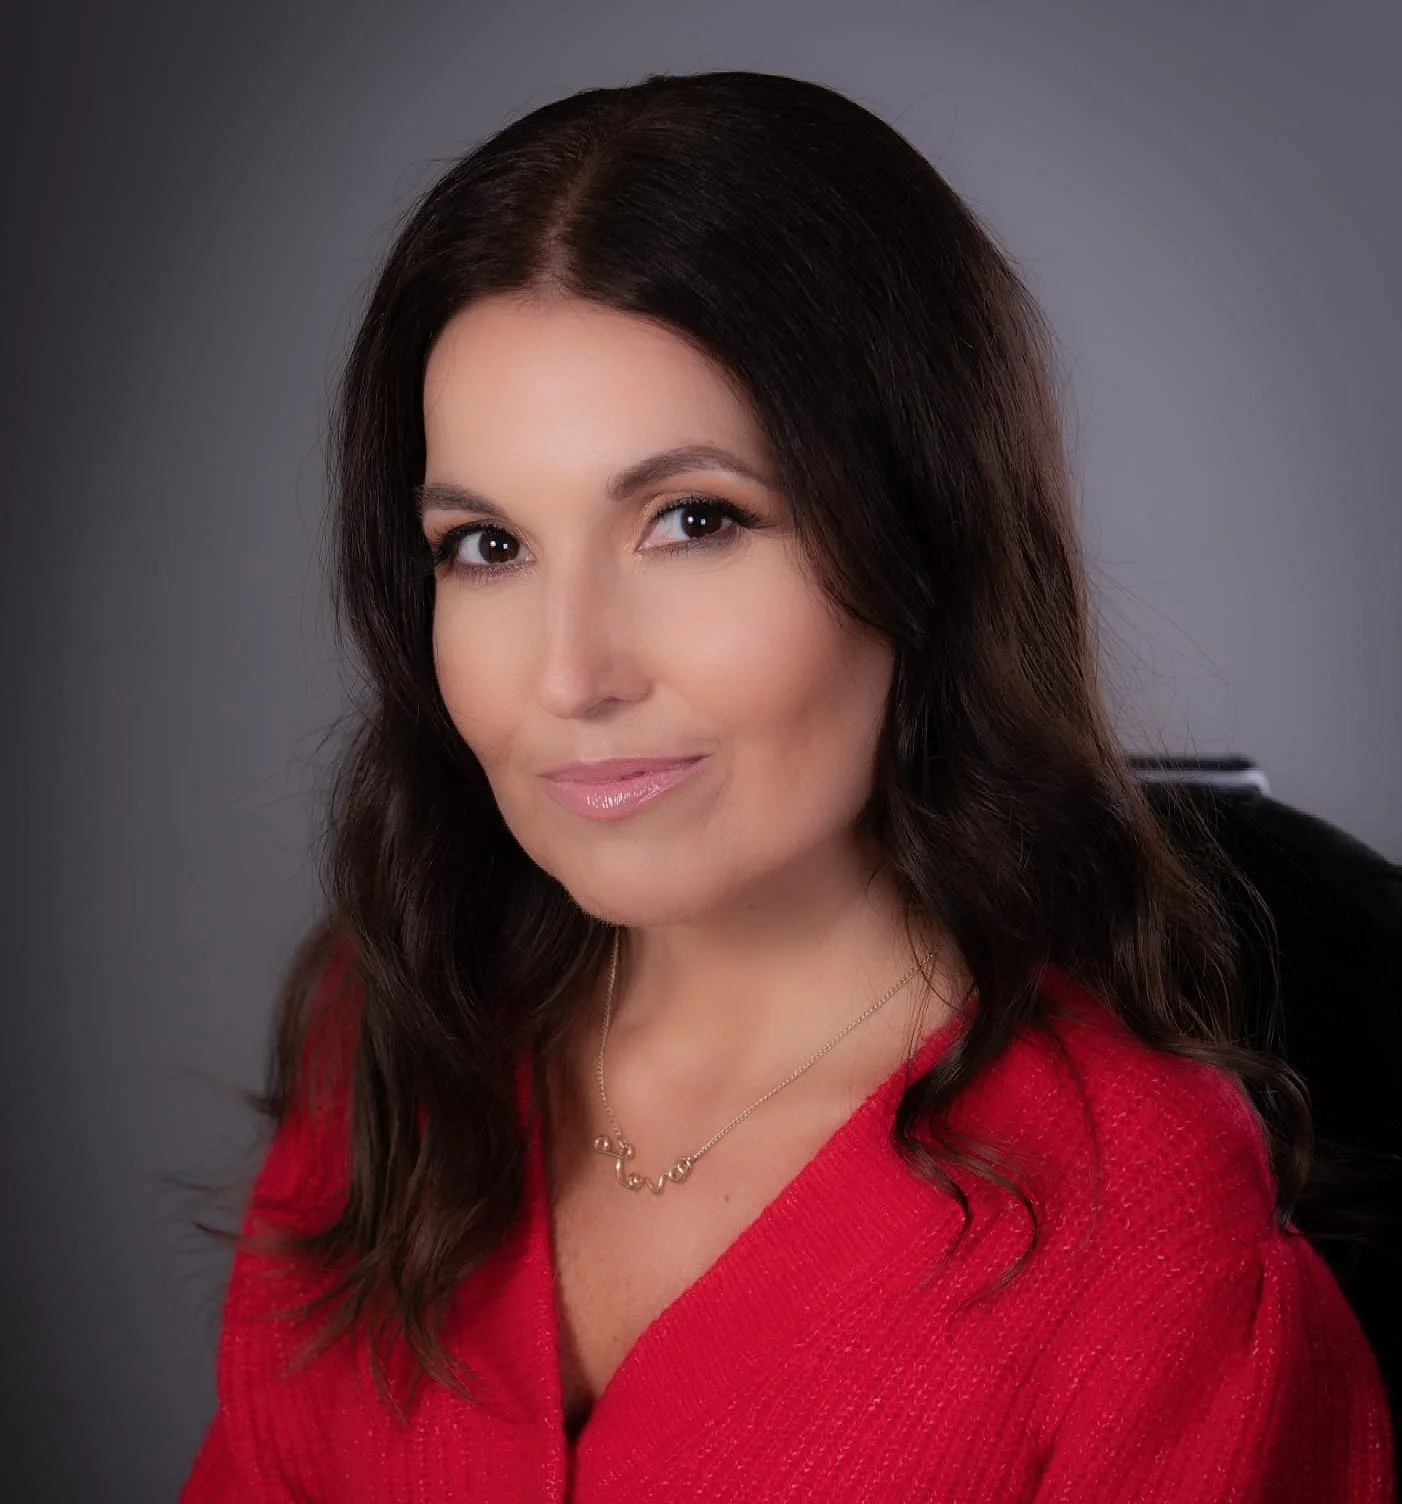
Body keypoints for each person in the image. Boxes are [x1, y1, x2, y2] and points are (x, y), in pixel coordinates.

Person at [179, 69, 1394, 1502]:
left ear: (923, 541)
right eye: (486, 547)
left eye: (694, 520)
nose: (569, 675)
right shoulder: (392, 1029)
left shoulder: (1144, 1233)